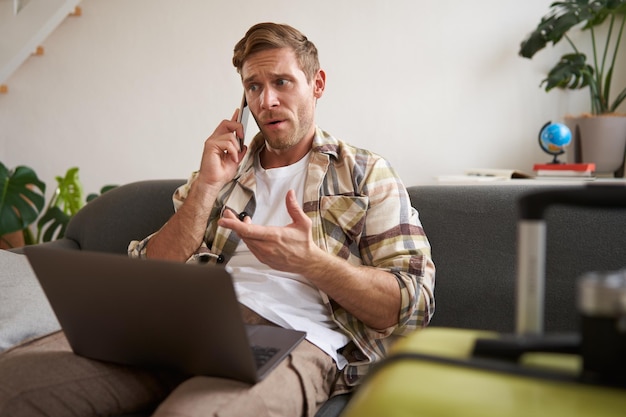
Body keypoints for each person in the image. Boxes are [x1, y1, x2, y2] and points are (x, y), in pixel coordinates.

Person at [0, 22, 434, 417]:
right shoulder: (223, 172)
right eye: (253, 87)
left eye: (282, 82)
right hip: (182, 325)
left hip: (293, 336)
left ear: (316, 84)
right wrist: (207, 186)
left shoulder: (365, 173)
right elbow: (152, 271)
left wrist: (310, 262)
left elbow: (411, 304)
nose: (267, 101)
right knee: (14, 384)